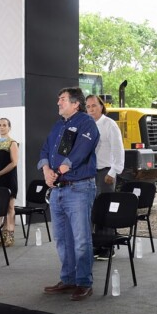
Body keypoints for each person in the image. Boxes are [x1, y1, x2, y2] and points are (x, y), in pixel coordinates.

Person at [39, 88, 99, 301]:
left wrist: (58, 171)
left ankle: (84, 282)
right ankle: (68, 279)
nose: (58, 103)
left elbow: (81, 151)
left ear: (76, 104)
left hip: (79, 188)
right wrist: (46, 170)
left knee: (81, 239)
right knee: (62, 239)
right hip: (58, 190)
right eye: (58, 99)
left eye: (62, 99)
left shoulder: (86, 122)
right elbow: (45, 150)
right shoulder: (58, 125)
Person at [85, 94, 124, 260]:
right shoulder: (86, 125)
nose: (91, 109)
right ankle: (97, 244)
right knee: (93, 210)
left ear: (101, 106)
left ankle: (108, 247)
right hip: (90, 173)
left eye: (94, 105)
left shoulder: (109, 124)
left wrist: (113, 171)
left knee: (105, 210)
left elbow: (118, 150)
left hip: (106, 172)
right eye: (88, 106)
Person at [0, 117, 19, 247]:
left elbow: (14, 162)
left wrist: (0, 172)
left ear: (9, 127)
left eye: (4, 125)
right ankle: (3, 235)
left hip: (8, 179)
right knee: (0, 208)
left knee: (10, 207)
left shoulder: (12, 143)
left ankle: (10, 236)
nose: (2, 127)